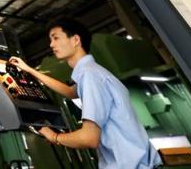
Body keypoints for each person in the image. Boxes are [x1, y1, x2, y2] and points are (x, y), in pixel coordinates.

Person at [9, 18, 162, 169]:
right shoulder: (93, 72)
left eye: (56, 38)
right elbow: (70, 92)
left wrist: (54, 137)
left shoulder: (90, 76)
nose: (51, 45)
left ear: (75, 40)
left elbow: (89, 138)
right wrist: (30, 70)